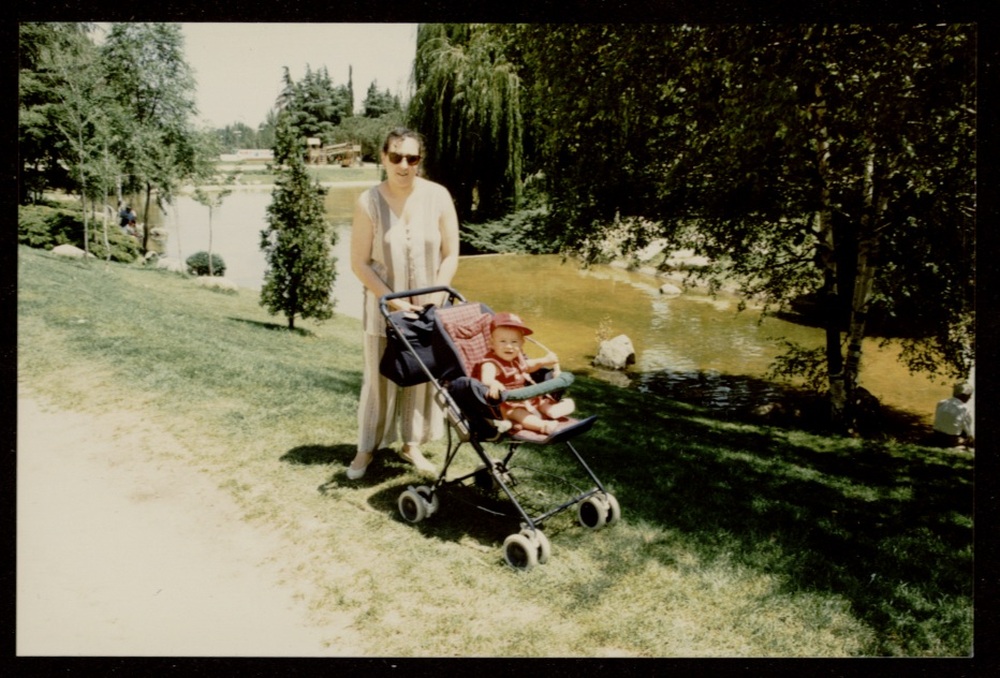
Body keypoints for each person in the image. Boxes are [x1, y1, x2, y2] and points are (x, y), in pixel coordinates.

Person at [346, 128, 461, 480]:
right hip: (383, 310)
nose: (404, 165)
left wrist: (438, 295)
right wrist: (392, 302)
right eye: (396, 157)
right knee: (378, 381)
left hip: (428, 312)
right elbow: (359, 263)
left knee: (422, 380)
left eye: (412, 158)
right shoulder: (368, 202)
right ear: (383, 158)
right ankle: (366, 449)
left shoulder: (439, 197)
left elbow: (451, 252)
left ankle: (411, 445)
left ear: (419, 161)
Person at [475, 312, 575, 436]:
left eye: (514, 342)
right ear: (491, 343)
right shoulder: (491, 363)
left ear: (522, 343)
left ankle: (552, 411)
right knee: (519, 413)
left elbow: (528, 366)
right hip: (506, 403)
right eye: (502, 341)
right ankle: (543, 426)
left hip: (524, 396)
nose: (509, 346)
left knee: (540, 402)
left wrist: (544, 361)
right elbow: (486, 379)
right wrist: (493, 384)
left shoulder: (517, 357)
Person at [932, 381, 975, 449]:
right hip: (951, 439)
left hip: (936, 436)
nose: (970, 398)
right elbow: (968, 431)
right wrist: (971, 438)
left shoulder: (941, 402)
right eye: (969, 396)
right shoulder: (965, 408)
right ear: (964, 395)